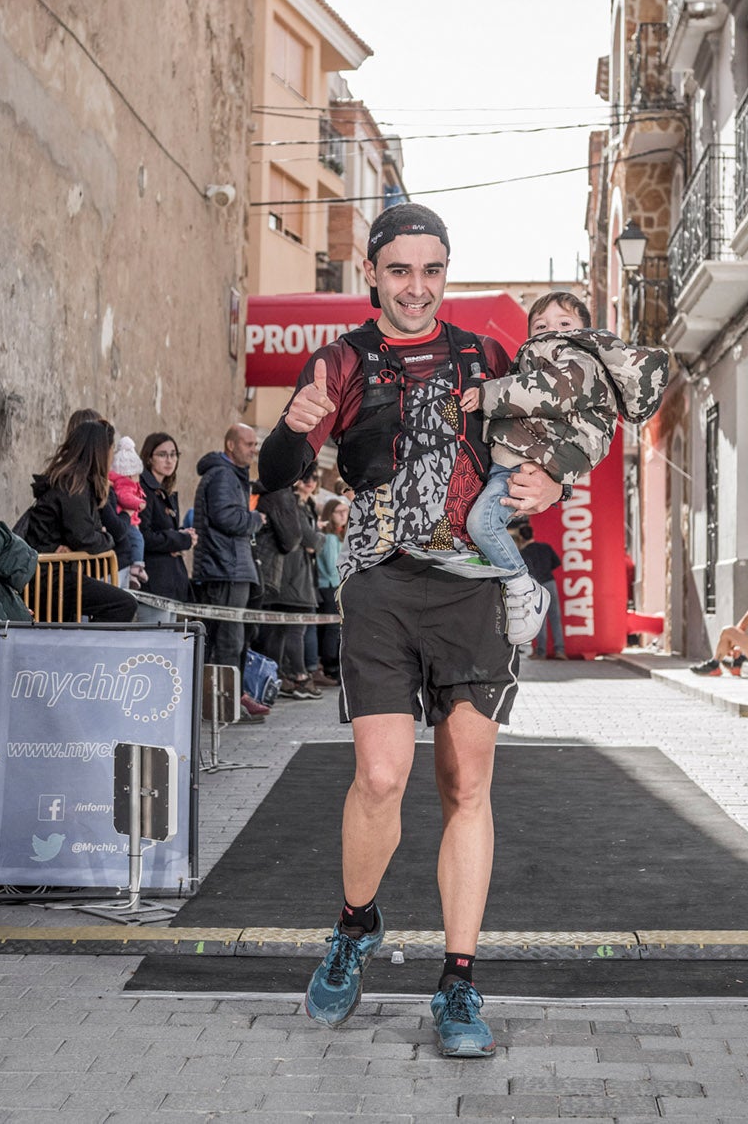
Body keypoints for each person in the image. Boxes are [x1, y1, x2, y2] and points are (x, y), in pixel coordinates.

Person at [259, 203, 561, 1058]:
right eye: (400, 271)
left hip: (471, 591)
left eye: (432, 271)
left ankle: (458, 981)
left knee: (467, 784)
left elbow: (548, 451)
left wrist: (550, 491)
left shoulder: (486, 358)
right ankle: (355, 925)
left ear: (446, 276)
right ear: (373, 275)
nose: (417, 287)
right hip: (382, 585)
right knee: (383, 776)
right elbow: (274, 475)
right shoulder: (342, 359)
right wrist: (290, 427)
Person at [464, 290, 669, 645]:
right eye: (540, 325)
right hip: (521, 456)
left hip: (528, 458)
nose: (550, 330)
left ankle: (521, 587)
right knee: (482, 523)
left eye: (563, 323)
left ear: (584, 330)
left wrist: (488, 395)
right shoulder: (541, 356)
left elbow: (550, 390)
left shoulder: (575, 357)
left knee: (482, 522)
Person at [13, 416, 138, 623]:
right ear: (100, 451)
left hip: (57, 574)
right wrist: (106, 539)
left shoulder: (75, 483)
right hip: (49, 577)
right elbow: (86, 537)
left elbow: (84, 535)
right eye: (111, 450)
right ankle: (94, 654)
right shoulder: (73, 486)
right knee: (122, 603)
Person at [192, 424, 265, 671]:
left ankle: (227, 700)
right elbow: (226, 518)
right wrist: (255, 519)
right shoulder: (223, 475)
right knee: (226, 642)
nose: (254, 450)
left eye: (255, 444)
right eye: (249, 444)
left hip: (231, 566)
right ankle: (222, 704)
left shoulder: (231, 474)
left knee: (230, 639)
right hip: (224, 568)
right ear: (231, 445)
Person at [256, 471, 322, 699]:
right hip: (290, 577)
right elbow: (305, 538)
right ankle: (297, 676)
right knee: (292, 628)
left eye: (315, 478)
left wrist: (314, 540)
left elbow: (310, 540)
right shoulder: (290, 501)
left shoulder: (306, 505)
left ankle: (280, 677)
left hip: (292, 575)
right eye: (306, 477)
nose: (311, 482)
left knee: (283, 630)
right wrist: (317, 539)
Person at [137, 432, 197, 603]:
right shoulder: (144, 489)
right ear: (149, 458)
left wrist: (183, 535)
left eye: (173, 454)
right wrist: (180, 539)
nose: (169, 460)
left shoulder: (166, 491)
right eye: (162, 455)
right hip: (154, 581)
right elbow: (144, 535)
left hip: (170, 581)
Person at [514, 522, 566, 660]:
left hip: (537, 585)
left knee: (539, 618)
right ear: (533, 534)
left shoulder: (523, 553)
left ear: (521, 538)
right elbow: (557, 563)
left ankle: (541, 652)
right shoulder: (546, 547)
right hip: (550, 582)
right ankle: (560, 650)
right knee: (555, 618)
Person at [313, 493, 348, 684]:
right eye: (339, 512)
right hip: (330, 586)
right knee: (331, 629)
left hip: (333, 585)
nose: (343, 515)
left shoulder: (337, 536)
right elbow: (332, 566)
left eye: (345, 511)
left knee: (333, 628)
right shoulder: (329, 538)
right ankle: (330, 665)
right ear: (330, 513)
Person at [109, 432, 149, 580]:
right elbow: (125, 498)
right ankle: (137, 566)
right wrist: (139, 504)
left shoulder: (125, 483)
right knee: (137, 540)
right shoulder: (124, 484)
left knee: (135, 540)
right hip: (128, 519)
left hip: (130, 519)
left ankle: (134, 569)